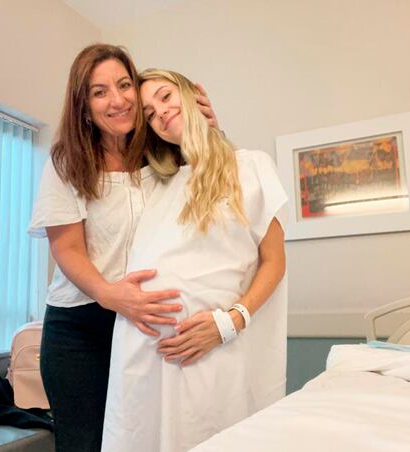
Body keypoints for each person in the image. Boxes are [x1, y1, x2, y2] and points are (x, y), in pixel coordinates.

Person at [27, 45, 219, 452]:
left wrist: (208, 130)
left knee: (144, 438)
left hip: (144, 324)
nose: (117, 100)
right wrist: (113, 295)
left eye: (124, 84)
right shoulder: (67, 162)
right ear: (83, 107)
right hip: (80, 329)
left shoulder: (163, 151)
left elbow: (217, 192)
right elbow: (68, 249)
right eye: (100, 92)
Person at [101, 68, 288, 452]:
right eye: (150, 114)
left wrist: (229, 322)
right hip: (141, 357)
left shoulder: (250, 165)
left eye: (166, 97)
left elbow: (274, 261)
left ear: (193, 95)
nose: (161, 113)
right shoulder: (157, 182)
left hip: (213, 348)